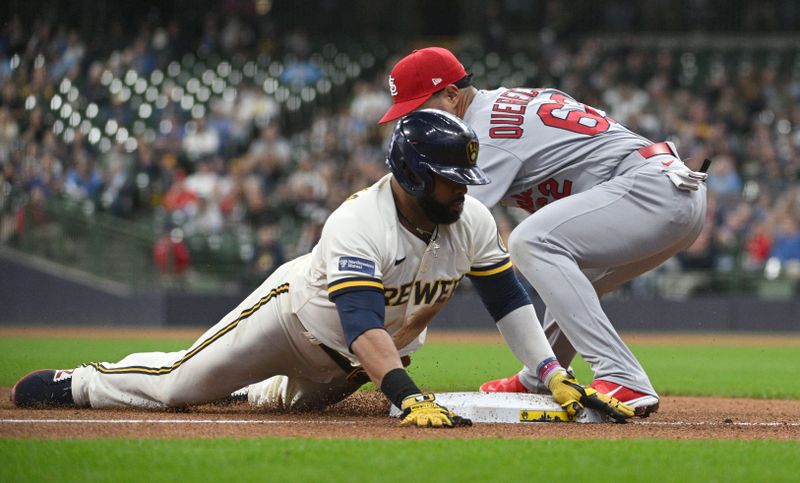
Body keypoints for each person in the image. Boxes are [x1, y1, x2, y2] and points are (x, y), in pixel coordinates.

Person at [10, 110, 633, 426]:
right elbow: (363, 323)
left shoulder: (467, 220)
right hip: (292, 321)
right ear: (414, 176)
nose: (460, 193)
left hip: (351, 362)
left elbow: (507, 299)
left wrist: (547, 370)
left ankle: (253, 384)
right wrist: (404, 396)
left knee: (275, 406)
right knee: (179, 388)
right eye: (447, 182)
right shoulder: (358, 223)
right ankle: (83, 383)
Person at [379, 47, 709, 417]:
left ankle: (621, 376)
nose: (412, 120)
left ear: (453, 95)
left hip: (647, 190)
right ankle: (542, 373)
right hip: (669, 189)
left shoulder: (483, 136)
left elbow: (444, 220)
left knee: (532, 242)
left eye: (418, 108)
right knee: (567, 266)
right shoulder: (506, 102)